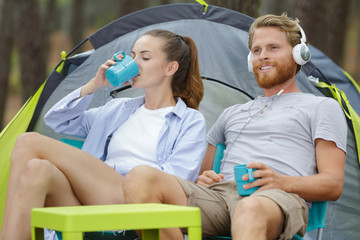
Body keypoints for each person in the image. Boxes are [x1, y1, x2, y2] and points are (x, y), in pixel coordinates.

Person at [122, 14, 348, 240]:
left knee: (249, 209)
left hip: (275, 198)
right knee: (139, 179)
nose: (263, 56)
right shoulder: (232, 113)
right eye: (257, 50)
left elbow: (333, 184)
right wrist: (204, 178)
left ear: (299, 54)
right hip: (218, 198)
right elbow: (199, 173)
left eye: (273, 48)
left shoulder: (322, 107)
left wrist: (280, 181)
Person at [0, 29, 206, 240]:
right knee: (37, 169)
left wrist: (126, 176)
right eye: (132, 56)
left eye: (145, 57)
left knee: (28, 141)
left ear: (170, 68)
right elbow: (57, 120)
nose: (135, 63)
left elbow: (176, 182)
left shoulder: (189, 121)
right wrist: (95, 85)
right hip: (91, 199)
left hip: (134, 199)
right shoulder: (117, 109)